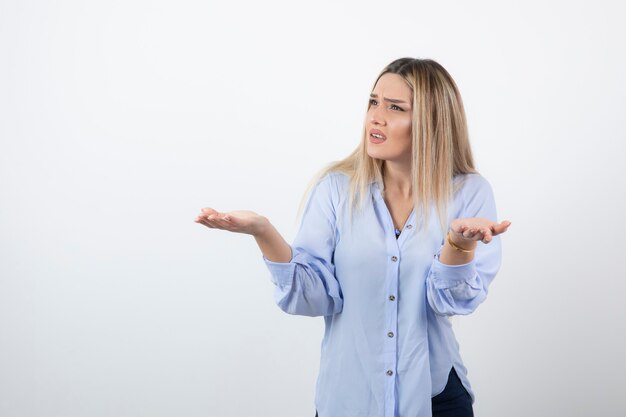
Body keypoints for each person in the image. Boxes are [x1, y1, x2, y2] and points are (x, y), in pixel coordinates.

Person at [195, 57, 511, 417]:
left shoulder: (468, 192)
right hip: (347, 400)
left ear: (432, 121)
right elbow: (312, 298)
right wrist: (263, 232)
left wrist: (459, 244)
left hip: (434, 398)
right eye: (373, 102)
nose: (376, 117)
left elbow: (451, 302)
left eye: (395, 108)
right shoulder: (336, 189)